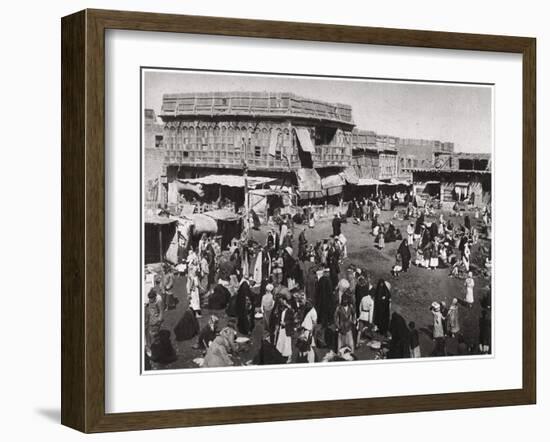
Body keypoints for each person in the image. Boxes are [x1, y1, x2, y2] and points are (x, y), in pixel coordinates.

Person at [275, 296, 295, 362]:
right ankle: (282, 354)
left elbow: (292, 320)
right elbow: (279, 317)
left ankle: (289, 357)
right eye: (280, 301)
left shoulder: (289, 310)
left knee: (287, 342)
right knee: (281, 341)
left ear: (285, 301)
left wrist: (285, 323)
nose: (281, 302)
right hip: (282, 328)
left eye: (282, 301)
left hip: (287, 328)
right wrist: (278, 325)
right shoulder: (281, 309)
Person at [144, 289, 164, 354]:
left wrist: (159, 319)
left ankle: (158, 349)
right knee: (151, 333)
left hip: (156, 319)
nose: (150, 300)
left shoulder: (158, 301)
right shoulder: (149, 301)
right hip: (151, 319)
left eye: (152, 299)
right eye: (149, 298)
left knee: (155, 334)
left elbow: (161, 311)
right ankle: (155, 347)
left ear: (155, 297)